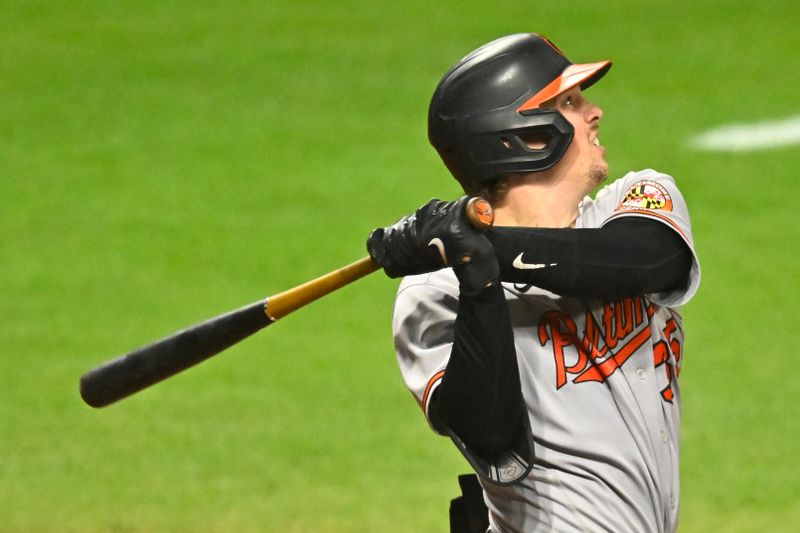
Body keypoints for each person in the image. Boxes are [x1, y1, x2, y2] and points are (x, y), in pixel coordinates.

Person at [367, 33, 700, 532]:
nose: (595, 112)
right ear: (523, 134)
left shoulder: (634, 202)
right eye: (569, 101)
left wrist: (485, 250)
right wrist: (477, 278)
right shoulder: (435, 294)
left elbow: (651, 261)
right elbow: (495, 445)